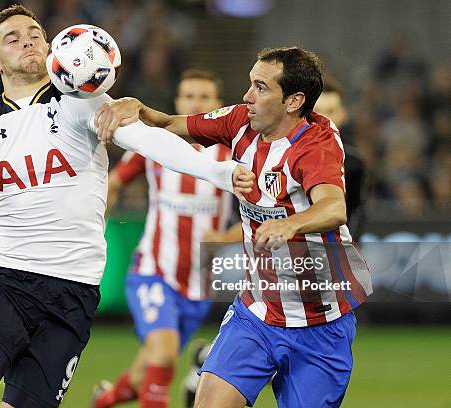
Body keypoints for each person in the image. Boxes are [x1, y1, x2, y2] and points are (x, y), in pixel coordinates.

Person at [0, 5, 253, 408]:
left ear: (53, 47)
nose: (27, 41)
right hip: (4, 278)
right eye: (13, 38)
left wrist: (220, 172)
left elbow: (150, 142)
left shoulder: (81, 101)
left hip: (73, 288)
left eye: (35, 34)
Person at [95, 47, 373, 408]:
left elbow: (334, 208)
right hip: (256, 312)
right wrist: (139, 109)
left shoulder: (316, 145)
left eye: (260, 87)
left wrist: (292, 223)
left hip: (320, 323)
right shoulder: (240, 121)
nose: (247, 96)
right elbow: (171, 124)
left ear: (294, 101)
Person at [92, 69, 242, 408]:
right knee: (162, 357)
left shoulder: (233, 154)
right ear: (177, 101)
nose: (195, 103)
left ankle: (103, 400)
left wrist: (224, 236)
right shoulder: (154, 145)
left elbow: (257, 217)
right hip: (154, 271)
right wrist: (95, 227)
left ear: (218, 106)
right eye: (189, 96)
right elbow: (113, 183)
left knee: (149, 368)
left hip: (198, 281)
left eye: (204, 98)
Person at [313, 77, 367, 238]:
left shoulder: (354, 164)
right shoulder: (281, 155)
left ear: (343, 114)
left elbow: (357, 212)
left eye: (330, 111)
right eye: (317, 110)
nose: (324, 119)